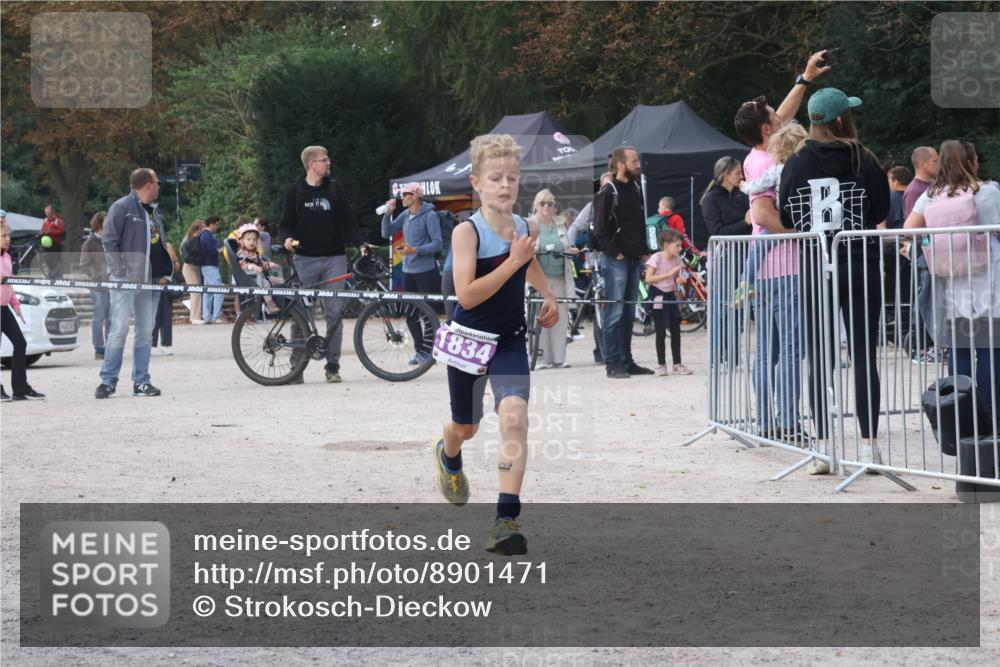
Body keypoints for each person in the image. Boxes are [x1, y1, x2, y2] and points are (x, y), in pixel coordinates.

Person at [434, 133, 559, 556]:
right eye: (495, 178)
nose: (505, 186)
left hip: (508, 342)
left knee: (515, 417)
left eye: (512, 177)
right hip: (468, 343)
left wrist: (548, 294)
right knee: (466, 428)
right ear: (476, 183)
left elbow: (530, 263)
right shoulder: (466, 233)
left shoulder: (525, 226)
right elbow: (467, 296)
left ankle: (506, 519)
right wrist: (513, 262)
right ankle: (448, 451)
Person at [779, 87, 890, 467]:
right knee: (863, 354)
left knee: (820, 356)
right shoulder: (865, 158)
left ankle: (824, 448)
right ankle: (867, 445)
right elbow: (880, 208)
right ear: (843, 119)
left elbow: (787, 215)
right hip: (858, 260)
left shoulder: (795, 161)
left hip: (816, 262)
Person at [904, 138, 1000, 415]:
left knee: (958, 351)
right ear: (972, 162)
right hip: (987, 277)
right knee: (989, 350)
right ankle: (989, 414)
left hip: (950, 278)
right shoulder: (987, 191)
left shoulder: (932, 194)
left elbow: (910, 226)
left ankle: (960, 415)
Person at [739, 120, 812, 454]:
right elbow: (761, 214)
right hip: (787, 267)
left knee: (768, 350)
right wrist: (797, 233)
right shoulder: (783, 168)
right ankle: (788, 423)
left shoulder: (758, 163)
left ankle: (767, 422)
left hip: (767, 267)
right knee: (791, 351)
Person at [280, 145, 364, 383]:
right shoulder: (294, 191)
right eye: (324, 159)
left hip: (335, 259)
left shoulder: (335, 190)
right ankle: (296, 369)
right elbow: (285, 223)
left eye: (328, 158)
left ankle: (332, 366)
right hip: (304, 259)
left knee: (335, 313)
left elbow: (349, 223)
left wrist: (360, 244)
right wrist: (285, 239)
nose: (329, 163)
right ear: (311, 164)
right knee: (300, 314)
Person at [95, 167, 171, 399]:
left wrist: (166, 271)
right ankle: (108, 381)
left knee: (145, 331)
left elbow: (159, 241)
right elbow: (109, 241)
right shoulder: (121, 207)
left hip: (151, 280)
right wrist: (120, 273)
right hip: (125, 280)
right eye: (157, 182)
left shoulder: (154, 210)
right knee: (119, 329)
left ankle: (141, 382)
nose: (159, 185)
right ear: (149, 184)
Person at [593, 146, 654, 379]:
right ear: (621, 165)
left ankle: (627, 361)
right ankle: (612, 363)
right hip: (616, 260)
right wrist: (615, 252)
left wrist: (644, 250)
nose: (638, 164)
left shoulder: (636, 187)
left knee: (629, 313)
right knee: (614, 312)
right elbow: (599, 230)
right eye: (634, 161)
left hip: (633, 258)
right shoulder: (609, 192)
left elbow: (638, 223)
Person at [381, 182, 442, 365]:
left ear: (415, 195)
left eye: (405, 194)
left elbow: (438, 244)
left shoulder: (430, 216)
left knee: (428, 314)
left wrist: (415, 250)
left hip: (426, 272)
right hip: (409, 272)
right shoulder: (405, 214)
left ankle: (430, 352)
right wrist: (387, 214)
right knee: (410, 314)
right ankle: (421, 351)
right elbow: (386, 233)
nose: (402, 198)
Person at [701, 155, 750, 367]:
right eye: (738, 173)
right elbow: (717, 231)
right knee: (722, 308)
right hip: (725, 259)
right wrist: (745, 222)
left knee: (737, 308)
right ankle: (717, 355)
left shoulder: (742, 196)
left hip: (744, 256)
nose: (741, 176)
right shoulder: (711, 199)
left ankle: (732, 356)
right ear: (726, 175)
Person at [903, 146, 943, 364]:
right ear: (922, 164)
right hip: (923, 254)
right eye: (935, 160)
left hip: (932, 254)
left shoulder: (931, 188)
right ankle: (921, 347)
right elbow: (913, 229)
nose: (939, 164)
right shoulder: (915, 191)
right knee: (923, 299)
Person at [530, 188, 577, 369]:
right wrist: (535, 249)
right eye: (543, 203)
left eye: (550, 204)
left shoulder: (560, 224)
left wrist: (570, 250)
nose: (547, 207)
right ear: (536, 205)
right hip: (539, 278)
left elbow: (566, 245)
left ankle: (559, 357)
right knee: (539, 317)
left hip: (560, 277)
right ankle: (539, 357)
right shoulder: (531, 224)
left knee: (560, 317)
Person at [1, 220, 45, 401]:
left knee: (20, 343)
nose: (7, 239)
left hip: (4, 308)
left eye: (8, 235)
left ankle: (20, 389)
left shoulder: (6, 258)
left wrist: (16, 306)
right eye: (3, 236)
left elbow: (8, 285)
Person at [644, 229, 691, 377]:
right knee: (660, 331)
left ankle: (677, 364)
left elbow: (678, 277)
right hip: (658, 295)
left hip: (671, 295)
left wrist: (679, 280)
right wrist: (669, 274)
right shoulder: (656, 258)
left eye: (680, 245)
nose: (680, 249)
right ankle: (661, 365)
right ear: (666, 245)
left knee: (675, 330)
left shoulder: (678, 259)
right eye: (677, 245)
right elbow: (648, 279)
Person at [80, 211, 110, 360]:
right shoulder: (89, 243)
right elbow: (83, 265)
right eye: (107, 221)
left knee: (111, 317)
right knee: (99, 317)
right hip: (97, 285)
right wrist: (95, 277)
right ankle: (99, 348)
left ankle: (110, 347)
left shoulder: (111, 240)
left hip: (112, 284)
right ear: (99, 224)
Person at [235, 222, 283, 314]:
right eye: (248, 239)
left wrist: (269, 264)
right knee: (265, 283)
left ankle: (280, 302)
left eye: (254, 239)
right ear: (241, 241)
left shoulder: (255, 254)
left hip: (262, 277)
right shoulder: (241, 254)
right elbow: (242, 266)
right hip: (251, 279)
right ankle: (270, 305)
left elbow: (262, 264)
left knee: (281, 281)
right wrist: (252, 266)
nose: (252, 241)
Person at [151, 239, 180, 355]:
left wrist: (167, 277)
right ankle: (150, 344)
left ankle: (166, 344)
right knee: (153, 316)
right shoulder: (147, 244)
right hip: (152, 283)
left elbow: (177, 265)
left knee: (166, 317)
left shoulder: (167, 246)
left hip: (165, 285)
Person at [179, 220, 205, 324]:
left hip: (195, 266)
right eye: (202, 227)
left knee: (197, 291)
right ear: (198, 229)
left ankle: (196, 315)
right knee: (195, 292)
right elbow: (184, 254)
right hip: (189, 267)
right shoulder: (191, 239)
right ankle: (194, 317)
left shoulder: (191, 239)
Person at [199, 216, 224, 324]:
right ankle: (216, 316)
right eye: (217, 224)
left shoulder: (204, 235)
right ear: (212, 224)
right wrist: (222, 249)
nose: (218, 226)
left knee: (208, 292)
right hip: (210, 266)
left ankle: (207, 317)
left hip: (206, 266)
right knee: (219, 289)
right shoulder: (207, 236)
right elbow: (213, 251)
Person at [39, 204, 66, 279]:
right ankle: (51, 275)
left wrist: (50, 231)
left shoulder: (58, 220)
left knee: (57, 260)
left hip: (55, 243)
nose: (47, 215)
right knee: (48, 260)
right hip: (47, 244)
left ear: (53, 212)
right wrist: (41, 232)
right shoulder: (45, 220)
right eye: (46, 213)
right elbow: (42, 229)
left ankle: (59, 276)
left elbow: (61, 231)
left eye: (49, 213)